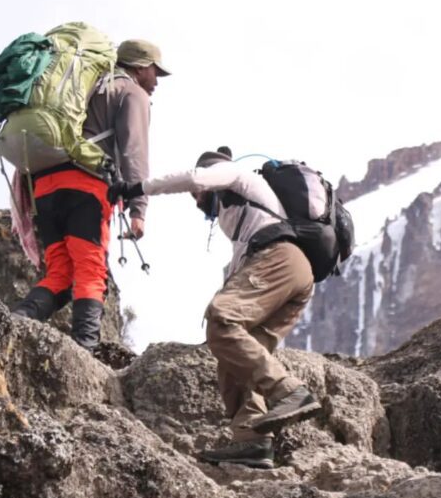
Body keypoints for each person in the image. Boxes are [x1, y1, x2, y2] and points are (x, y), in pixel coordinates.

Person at [109, 148, 321, 469]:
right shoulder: (242, 221)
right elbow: (238, 277)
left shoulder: (233, 175)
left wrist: (135, 189)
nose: (196, 201)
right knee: (232, 352)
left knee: (221, 320)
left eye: (197, 196)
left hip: (279, 259)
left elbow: (195, 177)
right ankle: (252, 440)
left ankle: (288, 391)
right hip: (292, 271)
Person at [12, 39, 169, 350]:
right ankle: (86, 348)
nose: (157, 81)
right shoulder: (130, 92)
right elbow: (134, 152)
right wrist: (138, 209)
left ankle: (18, 319)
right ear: (140, 67)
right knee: (90, 268)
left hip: (44, 186)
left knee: (60, 271)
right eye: (155, 71)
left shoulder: (86, 86)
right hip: (86, 186)